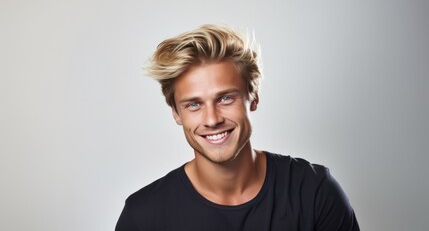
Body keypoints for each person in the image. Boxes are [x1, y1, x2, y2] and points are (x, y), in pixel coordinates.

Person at [116, 24, 359, 231]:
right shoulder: (144, 217)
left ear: (253, 97)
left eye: (225, 98)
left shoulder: (314, 192)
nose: (212, 119)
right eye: (193, 104)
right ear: (176, 113)